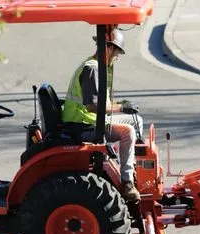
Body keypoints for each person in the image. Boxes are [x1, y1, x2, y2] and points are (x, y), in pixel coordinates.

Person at [61, 28, 143, 202]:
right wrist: (121, 108)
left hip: (92, 120)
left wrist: (121, 105)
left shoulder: (98, 67)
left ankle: (131, 168)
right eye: (117, 52)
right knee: (127, 132)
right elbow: (93, 107)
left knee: (137, 121)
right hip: (83, 124)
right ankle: (127, 182)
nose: (118, 56)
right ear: (109, 47)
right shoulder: (92, 69)